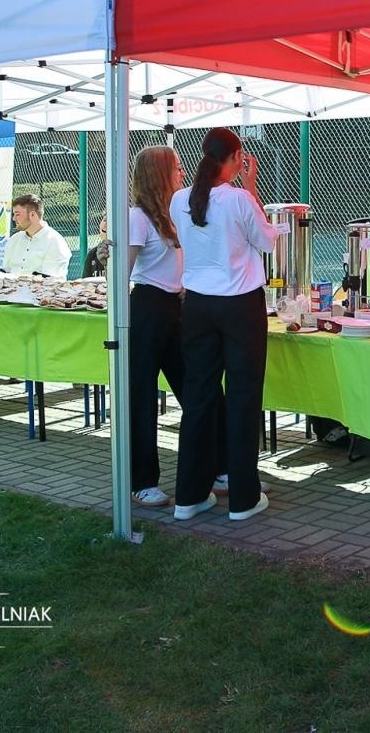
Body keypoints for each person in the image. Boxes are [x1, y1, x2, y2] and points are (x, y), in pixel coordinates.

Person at [170, 129, 278, 523]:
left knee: (198, 398)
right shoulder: (239, 200)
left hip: (197, 305)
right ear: (234, 158)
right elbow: (267, 242)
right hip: (239, 306)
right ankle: (242, 498)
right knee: (243, 397)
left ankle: (188, 496)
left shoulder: (179, 200)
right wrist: (252, 190)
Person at [125, 147, 221, 509]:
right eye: (177, 167)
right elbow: (125, 268)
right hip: (148, 307)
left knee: (198, 389)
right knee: (143, 399)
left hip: (178, 307)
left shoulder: (178, 208)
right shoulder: (137, 217)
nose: (182, 172)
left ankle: (217, 468)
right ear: (158, 173)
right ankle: (141, 481)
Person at [0, 193, 71, 277]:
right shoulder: (14, 240)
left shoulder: (55, 242)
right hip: (10, 288)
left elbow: (49, 281)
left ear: (32, 215)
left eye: (17, 214)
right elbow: (5, 270)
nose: (14, 218)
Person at [82, 214, 110, 279]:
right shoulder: (92, 254)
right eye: (105, 220)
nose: (106, 224)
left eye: (111, 222)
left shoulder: (128, 255)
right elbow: (85, 283)